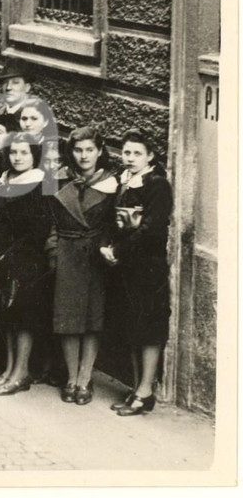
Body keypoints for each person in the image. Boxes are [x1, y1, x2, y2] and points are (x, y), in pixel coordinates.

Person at [101, 129, 174, 417]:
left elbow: (151, 230)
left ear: (150, 156)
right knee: (131, 326)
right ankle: (136, 387)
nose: (129, 158)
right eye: (126, 153)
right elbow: (113, 220)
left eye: (136, 154)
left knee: (148, 328)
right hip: (125, 266)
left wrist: (118, 251)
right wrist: (107, 246)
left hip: (147, 267)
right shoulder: (124, 181)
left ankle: (146, 391)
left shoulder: (157, 185)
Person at [45, 126, 118, 405]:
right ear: (70, 152)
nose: (84, 155)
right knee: (68, 319)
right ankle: (71, 377)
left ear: (100, 151)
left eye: (89, 149)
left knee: (91, 320)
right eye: (78, 150)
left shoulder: (112, 184)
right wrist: (53, 250)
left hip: (95, 257)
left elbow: (113, 224)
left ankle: (85, 379)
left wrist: (108, 247)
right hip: (67, 253)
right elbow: (50, 220)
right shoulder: (60, 179)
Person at [0, 133, 53, 395]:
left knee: (24, 317)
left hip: (27, 259)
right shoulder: (4, 180)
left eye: (24, 153)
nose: (18, 157)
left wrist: (8, 252)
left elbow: (37, 230)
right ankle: (10, 370)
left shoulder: (38, 184)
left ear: (34, 155)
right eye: (14, 153)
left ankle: (21, 373)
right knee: (8, 315)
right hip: (1, 257)